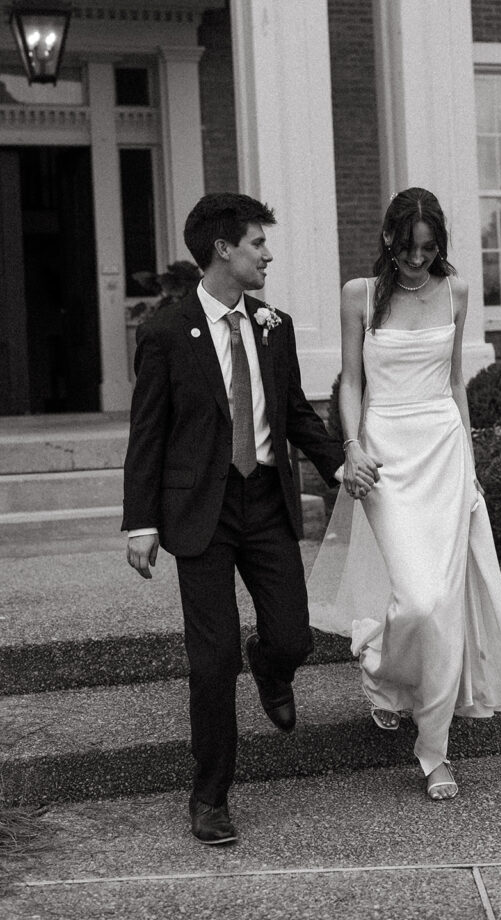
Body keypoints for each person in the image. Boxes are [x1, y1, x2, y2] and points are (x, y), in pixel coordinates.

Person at [122, 193, 374, 845]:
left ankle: (272, 665)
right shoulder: (165, 332)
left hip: (265, 500)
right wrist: (140, 522)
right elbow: (148, 433)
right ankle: (209, 799)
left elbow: (292, 412)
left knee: (291, 635)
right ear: (222, 250)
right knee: (211, 662)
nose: (267, 253)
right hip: (198, 512)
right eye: (257, 242)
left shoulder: (274, 325)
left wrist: (337, 464)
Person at [307, 187, 501, 800]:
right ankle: (379, 670)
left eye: (429, 251)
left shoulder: (455, 291)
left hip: (444, 451)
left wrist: (472, 464)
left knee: (441, 605)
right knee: (417, 602)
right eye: (408, 249)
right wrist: (352, 446)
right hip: (385, 458)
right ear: (388, 241)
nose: (418, 261)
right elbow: (350, 383)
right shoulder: (361, 295)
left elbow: (455, 381)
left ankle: (434, 752)